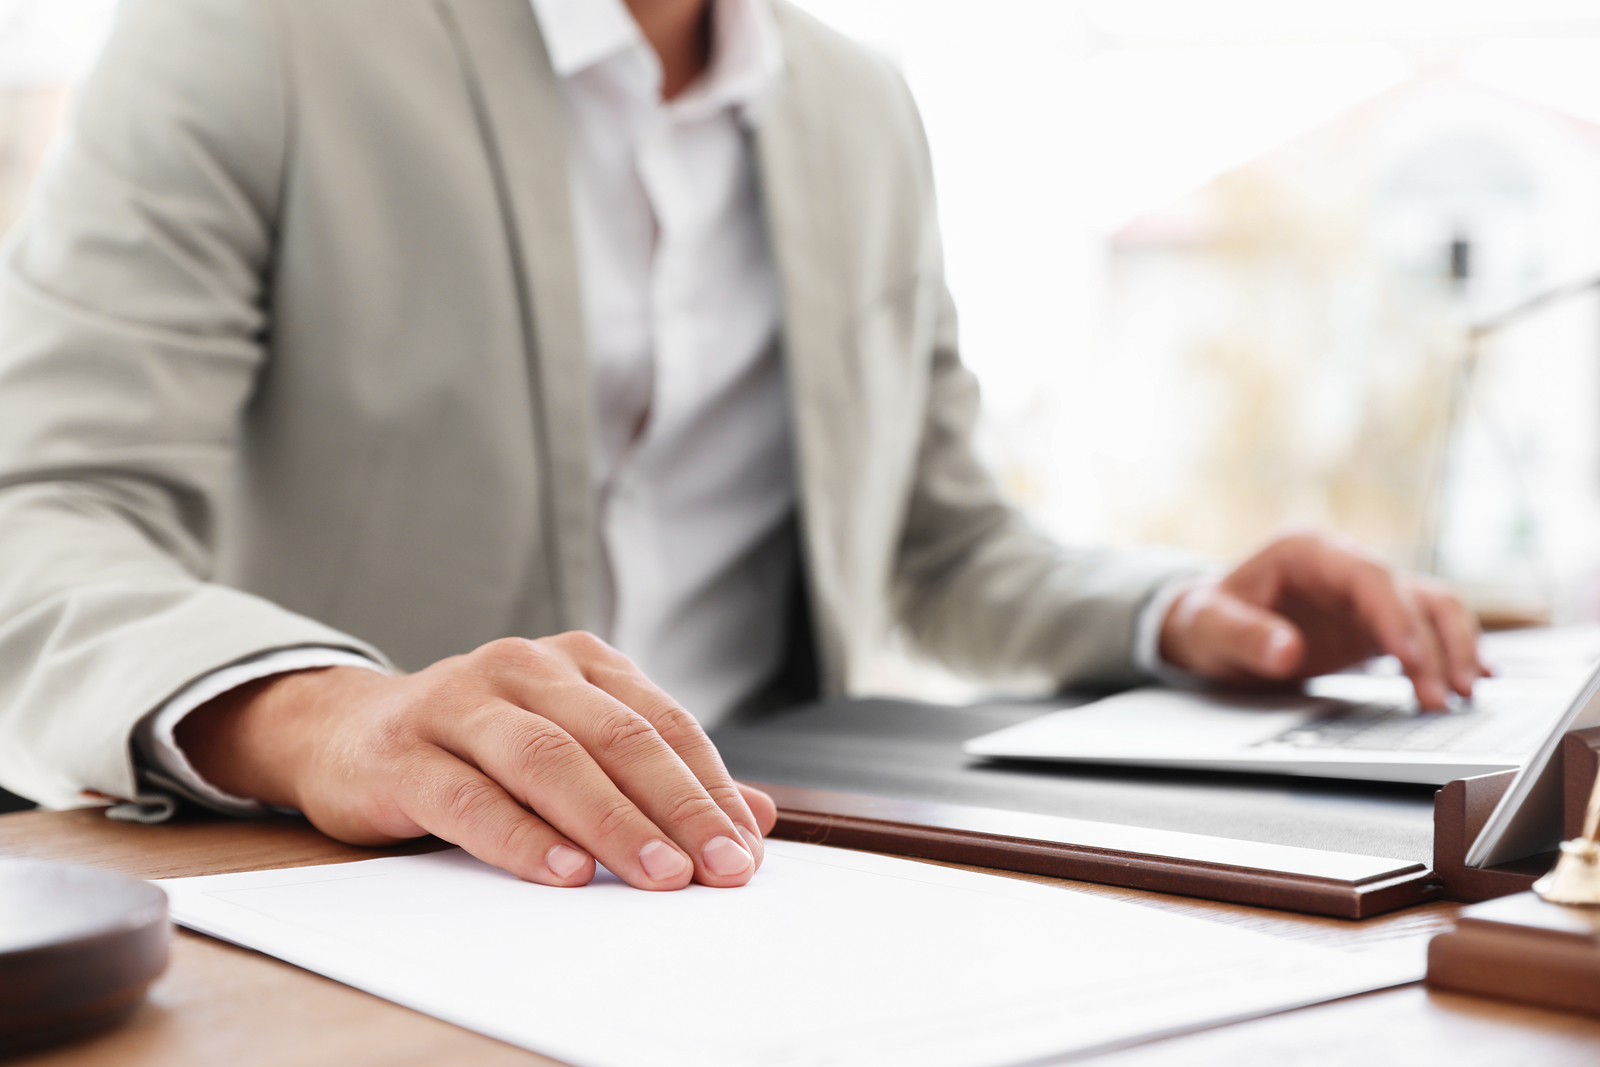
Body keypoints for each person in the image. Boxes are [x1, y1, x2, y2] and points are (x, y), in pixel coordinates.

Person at [0, 0, 1485, 892]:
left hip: (767, 869)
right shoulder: (250, 34)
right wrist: (331, 718)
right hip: (382, 884)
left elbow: (943, 543)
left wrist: (1179, 607)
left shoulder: (859, 105)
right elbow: (42, 510)